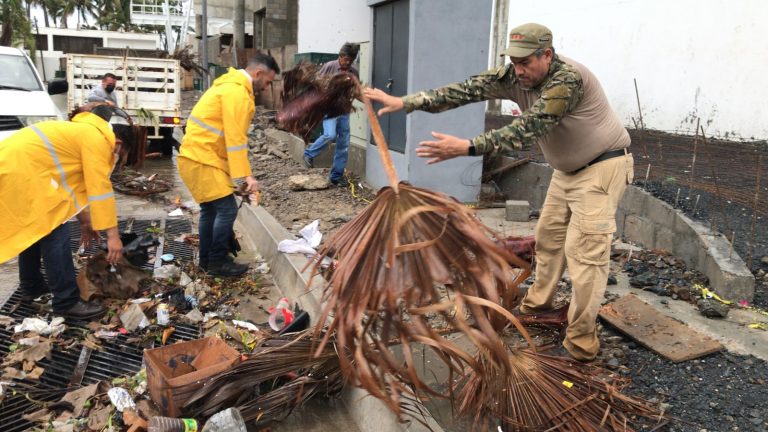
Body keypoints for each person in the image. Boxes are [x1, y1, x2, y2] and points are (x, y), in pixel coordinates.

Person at [364, 23, 634, 362]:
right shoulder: (513, 75)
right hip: (567, 172)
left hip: (602, 168)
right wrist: (405, 102)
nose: (518, 70)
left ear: (547, 55)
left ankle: (581, 345)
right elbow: (465, 90)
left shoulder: (567, 81)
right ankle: (538, 306)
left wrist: (468, 146)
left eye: (525, 63)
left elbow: (528, 128)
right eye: (514, 62)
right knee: (549, 240)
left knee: (585, 256)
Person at [0, 103, 125, 320]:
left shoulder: (79, 130)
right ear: (120, 142)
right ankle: (66, 302)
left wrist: (85, 221)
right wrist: (113, 237)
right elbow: (100, 190)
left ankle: (32, 288)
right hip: (22, 171)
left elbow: (67, 186)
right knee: (55, 234)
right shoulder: (95, 138)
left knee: (36, 229)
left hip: (16, 168)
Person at [178, 54, 279, 277]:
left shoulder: (228, 85)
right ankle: (217, 262)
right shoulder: (238, 94)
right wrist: (246, 176)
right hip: (203, 158)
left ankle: (206, 261)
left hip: (197, 157)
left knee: (210, 210)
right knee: (226, 209)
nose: (267, 87)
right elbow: (235, 140)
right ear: (258, 73)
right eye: (268, 82)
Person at [302, 42, 360, 186]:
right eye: (346, 59)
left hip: (344, 110)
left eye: (351, 60)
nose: (348, 63)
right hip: (330, 109)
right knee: (330, 135)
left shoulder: (353, 73)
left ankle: (336, 176)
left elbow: (356, 92)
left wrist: (367, 100)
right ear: (340, 56)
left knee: (343, 143)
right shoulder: (330, 66)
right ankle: (309, 154)